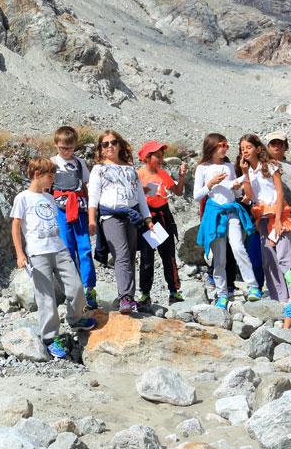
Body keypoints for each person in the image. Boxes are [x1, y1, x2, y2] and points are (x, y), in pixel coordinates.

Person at [10, 158, 95, 360]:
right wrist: (20, 254)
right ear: (37, 175)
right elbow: (15, 226)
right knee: (46, 297)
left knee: (75, 286)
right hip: (38, 253)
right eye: (50, 176)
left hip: (59, 249)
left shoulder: (49, 198)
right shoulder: (22, 198)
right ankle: (49, 338)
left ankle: (75, 319)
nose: (53, 180)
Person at [88, 130, 154, 314]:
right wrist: (92, 219)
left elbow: (140, 196)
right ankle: (125, 296)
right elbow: (93, 196)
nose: (110, 146)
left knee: (131, 255)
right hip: (111, 216)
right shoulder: (99, 169)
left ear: (119, 145)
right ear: (100, 149)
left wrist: (147, 218)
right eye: (105, 144)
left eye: (114, 142)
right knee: (122, 253)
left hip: (132, 215)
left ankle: (127, 298)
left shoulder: (130, 168)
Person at [194, 133, 262, 309]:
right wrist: (210, 184)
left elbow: (236, 193)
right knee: (220, 256)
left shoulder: (230, 165)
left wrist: (239, 188)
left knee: (238, 247)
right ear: (212, 147)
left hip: (232, 211)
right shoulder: (202, 168)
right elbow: (196, 195)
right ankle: (222, 294)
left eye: (226, 145)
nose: (225, 148)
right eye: (221, 145)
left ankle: (253, 286)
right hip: (215, 214)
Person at [238, 134, 291, 301]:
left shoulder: (269, 165)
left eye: (248, 147)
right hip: (262, 218)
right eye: (242, 149)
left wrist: (278, 220)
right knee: (269, 260)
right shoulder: (249, 171)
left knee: (285, 258)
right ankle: (279, 297)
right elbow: (249, 196)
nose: (245, 151)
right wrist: (244, 173)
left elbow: (279, 192)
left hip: (278, 215)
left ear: (258, 148)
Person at [51, 126, 98, 309]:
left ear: (75, 146)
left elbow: (87, 187)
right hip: (60, 211)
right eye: (62, 147)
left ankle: (90, 288)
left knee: (85, 249)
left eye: (69, 148)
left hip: (80, 211)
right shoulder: (52, 162)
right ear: (56, 144)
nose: (66, 151)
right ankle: (73, 290)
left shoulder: (80, 163)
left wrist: (92, 212)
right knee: (68, 251)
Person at [136, 140, 185, 306]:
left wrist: (182, 177)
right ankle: (145, 294)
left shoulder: (163, 174)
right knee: (147, 257)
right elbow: (135, 197)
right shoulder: (139, 175)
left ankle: (173, 291)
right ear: (147, 157)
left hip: (164, 217)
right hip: (148, 217)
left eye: (161, 155)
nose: (161, 158)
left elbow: (178, 192)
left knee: (168, 255)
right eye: (157, 155)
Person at [267, 131, 291, 266]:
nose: (277, 146)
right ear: (268, 147)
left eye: (280, 143)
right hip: (278, 214)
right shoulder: (265, 166)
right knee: (280, 249)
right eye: (273, 143)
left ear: (286, 146)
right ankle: (283, 283)